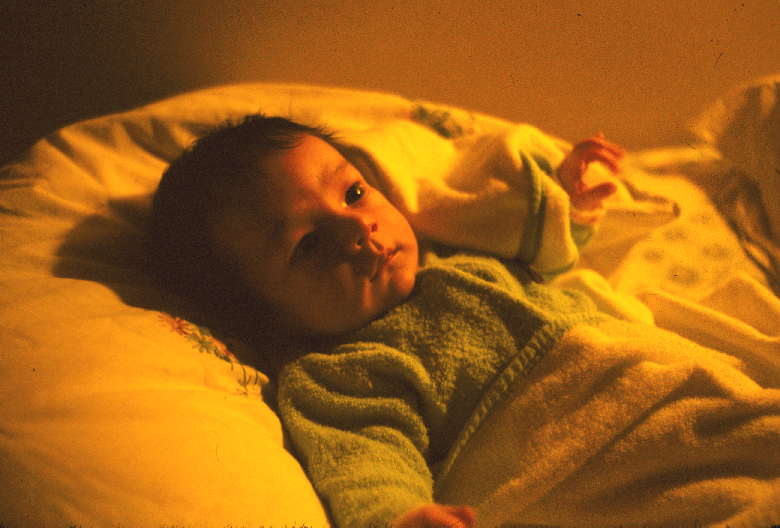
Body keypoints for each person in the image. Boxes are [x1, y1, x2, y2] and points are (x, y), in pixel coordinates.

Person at [147, 114, 625, 528]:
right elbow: (362, 463)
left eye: (354, 193)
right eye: (308, 243)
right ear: (261, 317)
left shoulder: (452, 255)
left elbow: (542, 261)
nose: (359, 225)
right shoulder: (340, 376)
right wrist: (398, 515)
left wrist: (568, 202)